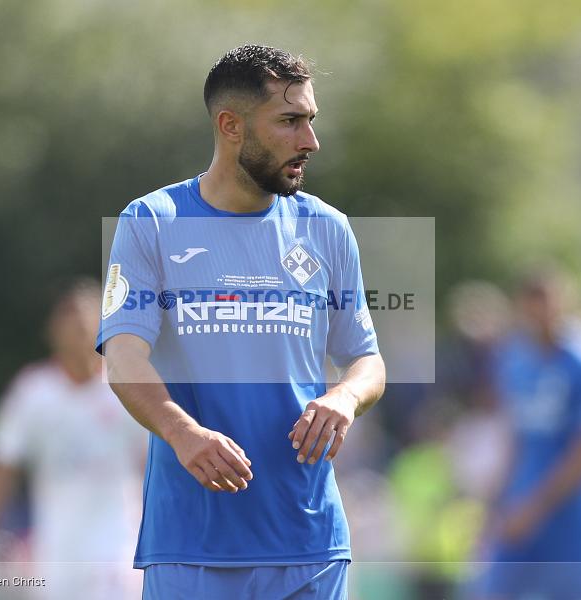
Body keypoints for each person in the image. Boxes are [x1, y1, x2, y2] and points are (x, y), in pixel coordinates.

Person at [98, 45, 386, 599]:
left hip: (311, 544)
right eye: (289, 121)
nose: (310, 141)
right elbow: (123, 356)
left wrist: (344, 399)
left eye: (310, 120)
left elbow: (365, 359)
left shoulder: (327, 228)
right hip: (192, 545)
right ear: (230, 126)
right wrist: (183, 434)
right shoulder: (152, 222)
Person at [0, 279, 146, 600]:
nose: (77, 325)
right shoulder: (32, 392)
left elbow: (154, 465)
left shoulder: (127, 389)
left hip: (118, 551)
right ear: (52, 330)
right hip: (55, 556)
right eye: (68, 316)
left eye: (86, 315)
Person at [477, 266, 581, 600]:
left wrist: (534, 508)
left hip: (573, 514)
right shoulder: (514, 359)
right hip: (520, 506)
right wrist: (498, 498)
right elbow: (515, 436)